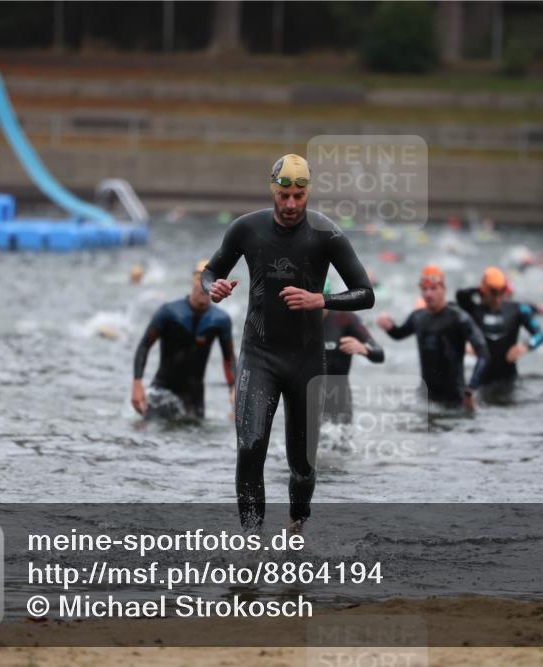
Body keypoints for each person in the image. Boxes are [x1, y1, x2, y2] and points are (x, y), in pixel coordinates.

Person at [201, 153, 374, 531]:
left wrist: (320, 299)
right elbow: (213, 270)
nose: (292, 204)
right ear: (272, 190)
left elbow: (365, 293)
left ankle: (297, 525)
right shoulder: (246, 229)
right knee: (249, 449)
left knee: (302, 465)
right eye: (284, 195)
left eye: (299, 195)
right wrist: (212, 286)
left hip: (306, 362)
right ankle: (252, 539)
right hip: (259, 356)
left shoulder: (326, 234)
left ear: (308, 192)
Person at [132, 259, 236, 421]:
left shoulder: (220, 320)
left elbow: (229, 359)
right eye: (201, 278)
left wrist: (234, 390)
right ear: (193, 280)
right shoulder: (169, 312)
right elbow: (144, 346)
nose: (204, 285)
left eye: (211, 281)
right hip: (162, 392)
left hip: (194, 398)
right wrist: (137, 384)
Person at [377, 265, 488, 413]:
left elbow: (483, 354)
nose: (428, 294)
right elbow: (399, 334)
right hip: (427, 399)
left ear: (444, 289)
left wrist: (470, 390)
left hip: (455, 400)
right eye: (424, 289)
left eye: (433, 288)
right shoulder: (418, 317)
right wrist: (389, 327)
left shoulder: (459, 318)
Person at [456, 267, 543, 402]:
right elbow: (460, 295)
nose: (497, 298)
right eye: (493, 293)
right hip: (483, 381)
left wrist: (525, 347)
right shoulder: (475, 310)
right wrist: (481, 287)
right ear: (484, 292)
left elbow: (540, 335)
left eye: (501, 292)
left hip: (509, 380)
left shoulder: (517, 309)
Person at [321, 277, 385, 424]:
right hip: (305, 400)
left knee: (340, 445)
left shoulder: (344, 318)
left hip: (339, 402)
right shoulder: (298, 319)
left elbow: (379, 353)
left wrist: (364, 349)